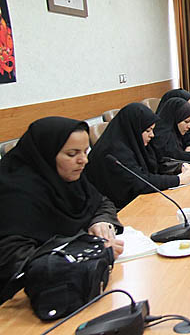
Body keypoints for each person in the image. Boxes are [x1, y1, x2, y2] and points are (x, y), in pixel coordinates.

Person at [0, 117, 124, 297]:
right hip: (30, 295)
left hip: (76, 281)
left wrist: (101, 221)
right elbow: (18, 264)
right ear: (46, 154)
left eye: (85, 151)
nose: (84, 160)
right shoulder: (14, 195)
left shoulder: (68, 178)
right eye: (72, 154)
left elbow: (102, 202)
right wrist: (89, 251)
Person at [86, 103, 190, 209]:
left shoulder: (134, 142)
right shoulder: (114, 152)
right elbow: (139, 182)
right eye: (148, 130)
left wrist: (180, 166)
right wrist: (178, 180)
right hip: (119, 209)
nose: (152, 135)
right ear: (134, 129)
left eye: (152, 130)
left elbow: (158, 163)